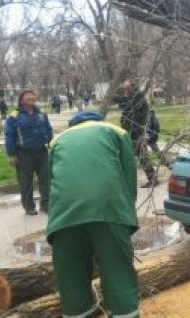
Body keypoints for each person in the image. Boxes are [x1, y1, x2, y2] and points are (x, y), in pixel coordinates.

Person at [47, 111, 139, 318]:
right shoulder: (116, 132)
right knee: (118, 274)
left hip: (63, 218)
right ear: (98, 121)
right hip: (108, 210)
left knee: (72, 282)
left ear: (73, 125)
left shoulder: (58, 140)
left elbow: (50, 180)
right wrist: (126, 213)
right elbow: (129, 173)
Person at [4, 90, 54, 215]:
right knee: (26, 181)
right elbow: (9, 135)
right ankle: (29, 206)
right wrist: (11, 154)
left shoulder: (42, 114)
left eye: (33, 95)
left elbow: (48, 128)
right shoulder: (14, 116)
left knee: (46, 179)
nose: (31, 97)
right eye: (27, 96)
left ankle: (46, 205)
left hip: (42, 151)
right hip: (23, 153)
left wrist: (49, 138)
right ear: (21, 100)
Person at [114, 79, 158, 187]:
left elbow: (125, 103)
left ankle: (152, 179)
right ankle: (152, 179)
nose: (126, 91)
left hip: (138, 133)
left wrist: (116, 96)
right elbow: (122, 101)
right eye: (125, 89)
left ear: (133, 87)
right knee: (139, 156)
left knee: (140, 157)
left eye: (127, 89)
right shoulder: (133, 97)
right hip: (131, 132)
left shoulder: (138, 98)